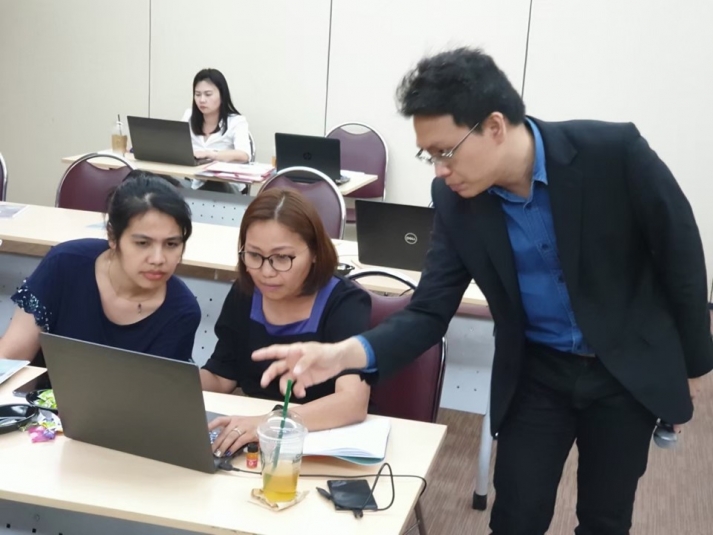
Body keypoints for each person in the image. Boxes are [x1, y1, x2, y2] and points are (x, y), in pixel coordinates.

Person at [253, 48, 713, 534]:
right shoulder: (456, 201)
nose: (439, 170)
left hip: (622, 367)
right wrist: (344, 354)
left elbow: (681, 254)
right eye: (428, 156)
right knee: (515, 517)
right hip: (537, 370)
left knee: (606, 518)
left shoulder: (612, 153)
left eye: (445, 151)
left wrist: (694, 365)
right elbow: (428, 312)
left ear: (494, 126)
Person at [200, 188, 371, 458]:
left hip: (320, 443)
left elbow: (352, 402)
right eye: (254, 255)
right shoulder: (245, 293)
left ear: (315, 253)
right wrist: (168, 381)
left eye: (282, 258)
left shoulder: (344, 303)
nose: (266, 272)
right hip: (256, 443)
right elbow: (222, 376)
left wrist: (269, 423)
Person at [0, 170, 201, 367]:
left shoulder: (182, 310)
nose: (158, 259)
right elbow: (11, 357)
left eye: (171, 244)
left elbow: (157, 387)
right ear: (112, 237)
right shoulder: (65, 264)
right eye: (142, 243)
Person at [181, 68, 252, 191]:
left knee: (214, 184)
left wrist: (211, 154)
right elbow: (177, 146)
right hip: (193, 182)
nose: (202, 100)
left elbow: (244, 155)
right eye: (197, 94)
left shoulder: (236, 121)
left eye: (208, 94)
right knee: (153, 179)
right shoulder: (189, 116)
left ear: (222, 95)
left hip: (225, 185)